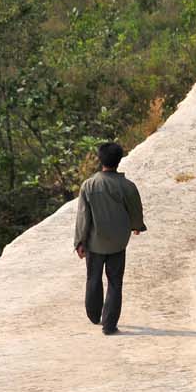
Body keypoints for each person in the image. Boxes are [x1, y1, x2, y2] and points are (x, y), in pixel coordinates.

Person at [72, 141, 146, 335]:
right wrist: (136, 226)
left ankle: (94, 315)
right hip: (118, 243)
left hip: (95, 243)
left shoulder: (89, 185)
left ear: (100, 159)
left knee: (93, 278)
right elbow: (136, 211)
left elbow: (83, 217)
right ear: (119, 160)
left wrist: (80, 241)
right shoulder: (128, 186)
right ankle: (109, 324)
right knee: (115, 282)